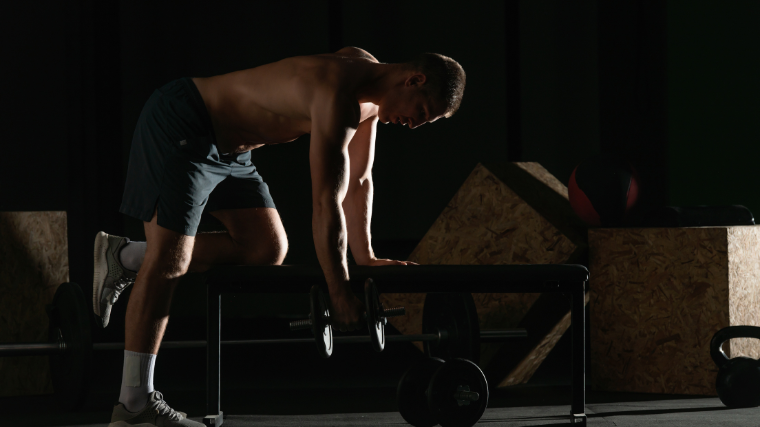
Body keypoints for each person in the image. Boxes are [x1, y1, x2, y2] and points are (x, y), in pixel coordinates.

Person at [93, 47, 466, 426]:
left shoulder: (369, 86)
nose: (414, 125)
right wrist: (339, 292)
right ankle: (133, 405)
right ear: (414, 80)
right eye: (421, 113)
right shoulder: (337, 94)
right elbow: (325, 202)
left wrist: (366, 256)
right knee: (168, 262)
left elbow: (359, 180)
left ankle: (124, 257)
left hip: (233, 154)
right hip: (186, 122)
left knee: (266, 249)